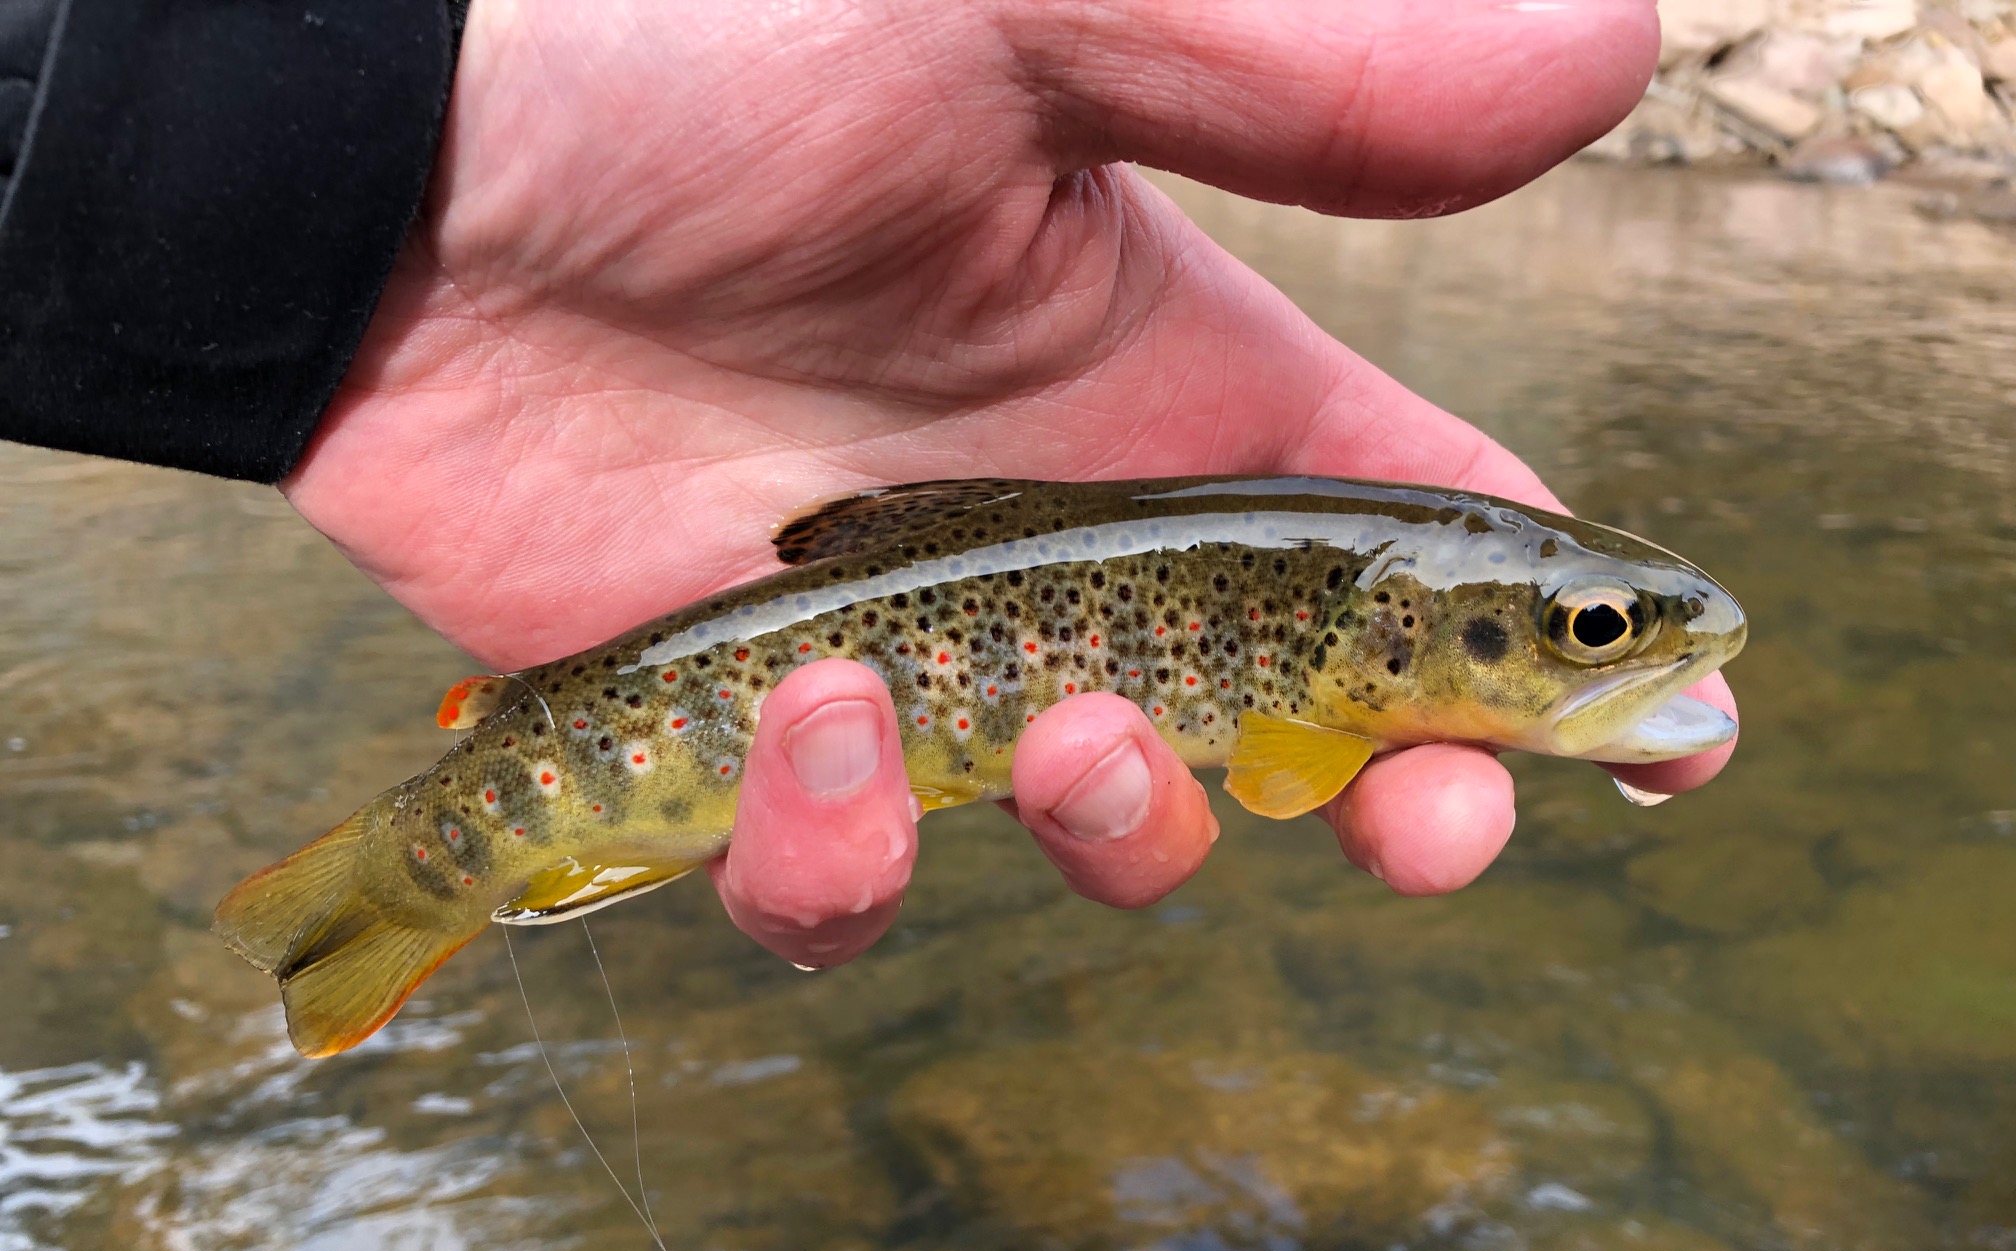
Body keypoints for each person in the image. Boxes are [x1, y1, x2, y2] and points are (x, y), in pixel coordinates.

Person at [0, 0, 1733, 969]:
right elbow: (1280, 784)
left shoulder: (1338, 653)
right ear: (1409, 636)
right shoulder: (1328, 666)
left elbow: (1288, 780)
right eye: (1590, 626)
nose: (1633, 645)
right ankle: (414, 872)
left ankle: (423, 871)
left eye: (1596, 627)